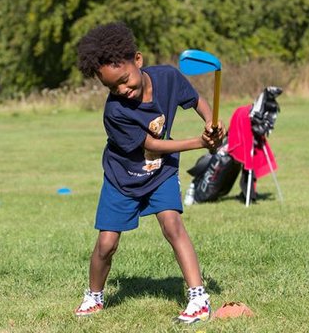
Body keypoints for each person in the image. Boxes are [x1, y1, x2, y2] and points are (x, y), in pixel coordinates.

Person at [74, 22, 225, 324]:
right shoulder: (115, 111)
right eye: (112, 87)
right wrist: (199, 142)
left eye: (125, 81)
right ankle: (94, 295)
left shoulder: (168, 77)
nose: (122, 91)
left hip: (160, 174)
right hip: (122, 178)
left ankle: (198, 297)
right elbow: (152, 143)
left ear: (138, 60)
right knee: (107, 244)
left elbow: (197, 102)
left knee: (173, 225)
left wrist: (211, 124)